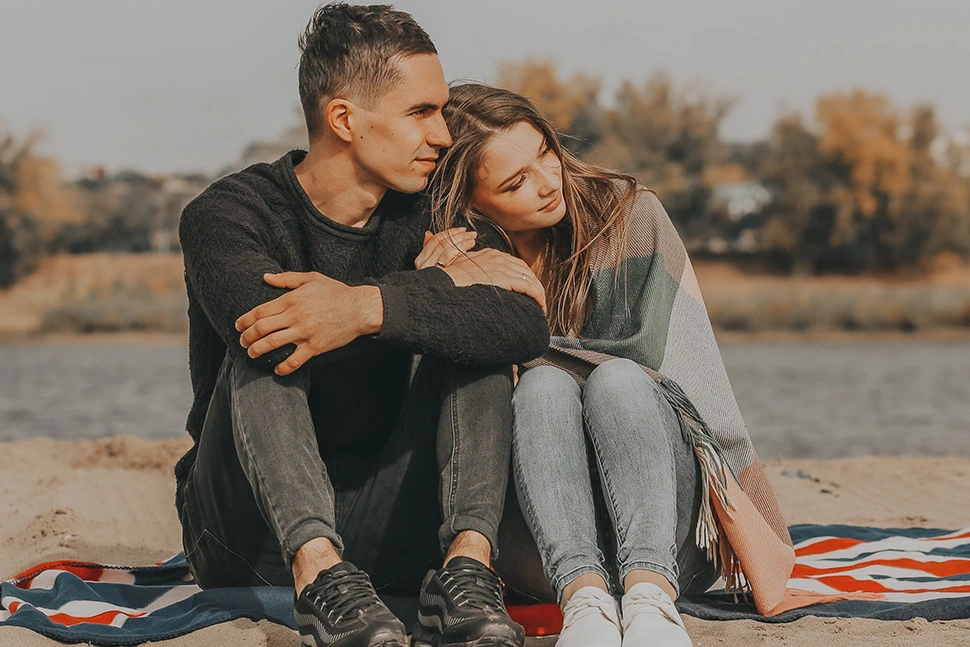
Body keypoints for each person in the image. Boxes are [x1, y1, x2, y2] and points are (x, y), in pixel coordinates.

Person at [174, 7, 550, 647]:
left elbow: (521, 322)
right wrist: (434, 289)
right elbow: (270, 329)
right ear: (344, 119)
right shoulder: (228, 214)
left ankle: (465, 575)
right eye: (421, 113)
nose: (443, 135)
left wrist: (363, 308)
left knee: (476, 345)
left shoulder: (437, 213)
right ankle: (320, 573)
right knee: (266, 340)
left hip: (390, 528)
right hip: (247, 532)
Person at [424, 83, 793, 647]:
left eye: (545, 153)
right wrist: (446, 289)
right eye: (515, 182)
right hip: (539, 548)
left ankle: (650, 600)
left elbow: (667, 373)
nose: (549, 183)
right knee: (543, 387)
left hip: (668, 534)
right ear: (472, 204)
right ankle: (586, 602)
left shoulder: (631, 216)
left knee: (617, 378)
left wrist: (523, 339)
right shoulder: (460, 258)